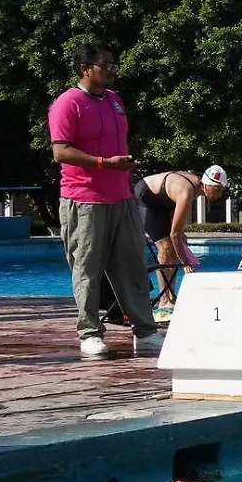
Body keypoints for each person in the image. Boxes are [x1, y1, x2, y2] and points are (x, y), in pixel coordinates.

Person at [48, 44, 162, 359]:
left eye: (113, 63)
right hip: (83, 200)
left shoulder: (114, 100)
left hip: (120, 197)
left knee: (133, 266)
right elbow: (60, 151)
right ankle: (89, 332)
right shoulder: (67, 103)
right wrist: (103, 162)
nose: (112, 69)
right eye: (105, 64)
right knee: (87, 269)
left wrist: (120, 166)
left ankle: (145, 331)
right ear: (85, 68)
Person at [135, 166, 227, 317]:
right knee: (165, 247)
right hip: (145, 197)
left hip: (161, 203)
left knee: (175, 244)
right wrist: (185, 262)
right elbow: (174, 234)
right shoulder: (186, 192)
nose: (219, 194)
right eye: (218, 189)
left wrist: (180, 238)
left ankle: (171, 297)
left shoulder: (196, 187)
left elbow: (174, 219)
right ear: (207, 185)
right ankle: (164, 301)